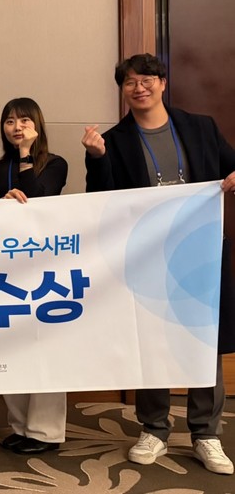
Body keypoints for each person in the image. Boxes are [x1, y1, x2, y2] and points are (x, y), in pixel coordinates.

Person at [82, 53, 235, 475]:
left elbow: (231, 164)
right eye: (130, 82)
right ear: (123, 90)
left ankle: (206, 433)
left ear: (163, 83)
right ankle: (154, 428)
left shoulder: (200, 127)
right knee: (150, 339)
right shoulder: (114, 140)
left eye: (147, 79)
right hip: (147, 256)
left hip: (200, 252)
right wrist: (97, 158)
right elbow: (101, 199)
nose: (139, 87)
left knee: (204, 340)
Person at [0, 97, 68, 454]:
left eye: (23, 120)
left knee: (45, 346)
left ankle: (46, 432)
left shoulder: (56, 163)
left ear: (37, 124)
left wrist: (25, 155)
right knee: (13, 345)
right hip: (7, 268)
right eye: (9, 121)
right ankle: (21, 426)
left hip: (45, 266)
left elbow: (38, 199)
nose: (16, 127)